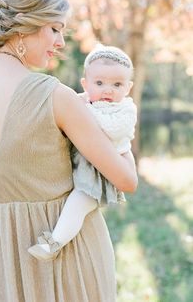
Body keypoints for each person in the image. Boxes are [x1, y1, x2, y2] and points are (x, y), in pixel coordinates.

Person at [0, 0, 138, 301]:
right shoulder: (54, 95)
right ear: (25, 23)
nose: (59, 42)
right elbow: (126, 180)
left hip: (5, 260)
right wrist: (121, 123)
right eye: (54, 28)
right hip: (72, 259)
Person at [28, 44, 137, 261]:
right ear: (85, 84)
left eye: (117, 84)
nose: (108, 90)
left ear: (128, 87)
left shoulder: (124, 109)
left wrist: (81, 110)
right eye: (99, 83)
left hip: (100, 173)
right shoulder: (85, 102)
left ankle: (54, 243)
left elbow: (113, 129)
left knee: (79, 203)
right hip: (81, 165)